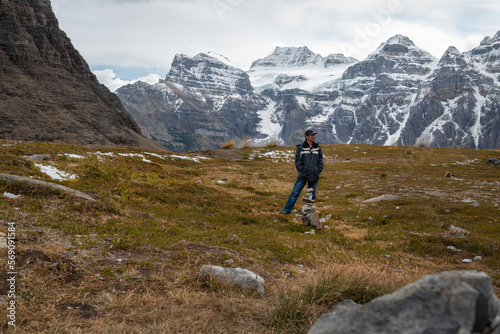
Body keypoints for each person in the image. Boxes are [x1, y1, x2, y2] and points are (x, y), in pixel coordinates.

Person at [279, 129, 324, 214]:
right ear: (306, 137)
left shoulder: (317, 147)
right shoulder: (301, 148)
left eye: (314, 135)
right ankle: (286, 210)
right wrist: (302, 170)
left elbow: (320, 159)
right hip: (303, 175)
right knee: (295, 193)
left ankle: (310, 212)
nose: (314, 136)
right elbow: (297, 161)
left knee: (312, 195)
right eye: (312, 135)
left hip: (314, 175)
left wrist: (318, 170)